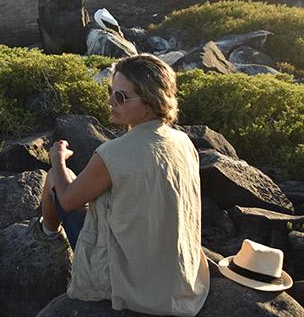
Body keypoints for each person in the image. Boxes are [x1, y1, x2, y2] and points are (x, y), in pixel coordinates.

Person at [31, 54, 210, 316]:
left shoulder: (112, 153)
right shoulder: (183, 142)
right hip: (179, 277)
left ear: (151, 101)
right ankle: (49, 232)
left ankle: (48, 234)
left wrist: (56, 159)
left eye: (121, 97)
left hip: (130, 280)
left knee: (55, 178)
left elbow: (69, 200)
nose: (110, 101)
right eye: (110, 91)